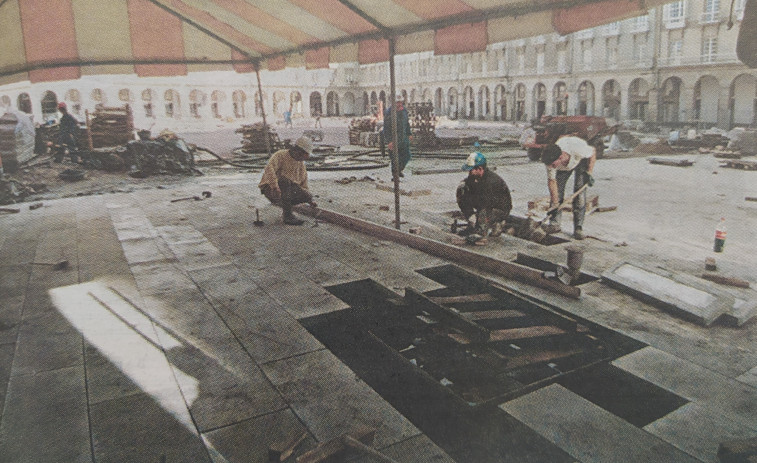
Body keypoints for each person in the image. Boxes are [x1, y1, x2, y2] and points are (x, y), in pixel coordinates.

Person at [541, 135, 597, 240]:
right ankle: (555, 224)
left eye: (553, 165)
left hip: (580, 160)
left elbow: (593, 152)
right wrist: (555, 204)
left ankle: (578, 228)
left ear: (561, 157)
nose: (551, 167)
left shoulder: (578, 148)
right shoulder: (551, 160)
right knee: (558, 191)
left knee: (579, 193)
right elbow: (552, 182)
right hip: (563, 166)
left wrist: (589, 172)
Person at [259, 136, 317, 225]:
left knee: (307, 195)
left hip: (286, 192)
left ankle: (286, 205)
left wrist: (310, 200)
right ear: (298, 152)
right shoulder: (280, 155)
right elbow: (269, 170)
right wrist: (274, 186)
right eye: (304, 155)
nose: (305, 159)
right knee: (284, 181)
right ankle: (287, 216)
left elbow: (303, 184)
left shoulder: (301, 164)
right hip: (271, 190)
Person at [456, 152, 512, 238]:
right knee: (462, 191)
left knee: (483, 214)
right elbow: (467, 189)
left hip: (498, 208)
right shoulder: (474, 176)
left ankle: (495, 224)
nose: (470, 172)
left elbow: (487, 204)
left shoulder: (492, 182)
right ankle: (473, 224)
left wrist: (478, 220)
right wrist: (470, 214)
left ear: (480, 169)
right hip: (483, 202)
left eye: (471, 170)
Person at [381, 99, 411, 178]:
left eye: (401, 102)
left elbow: (407, 123)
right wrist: (389, 141)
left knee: (406, 156)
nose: (400, 104)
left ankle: (399, 169)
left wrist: (409, 133)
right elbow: (386, 128)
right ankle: (395, 176)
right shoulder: (389, 113)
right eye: (398, 102)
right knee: (394, 158)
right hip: (394, 138)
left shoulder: (404, 111)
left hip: (403, 137)